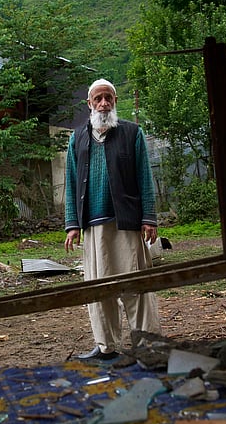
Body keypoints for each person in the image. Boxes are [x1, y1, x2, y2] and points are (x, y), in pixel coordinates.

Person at [64, 78, 161, 361]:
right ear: (90, 104)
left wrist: (149, 218)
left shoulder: (132, 133)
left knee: (136, 286)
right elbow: (71, 183)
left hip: (126, 223)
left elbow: (144, 175)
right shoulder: (77, 138)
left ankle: (147, 345)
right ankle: (106, 346)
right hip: (93, 226)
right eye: (98, 99)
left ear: (115, 101)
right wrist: (72, 225)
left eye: (108, 98)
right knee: (97, 287)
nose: (104, 103)